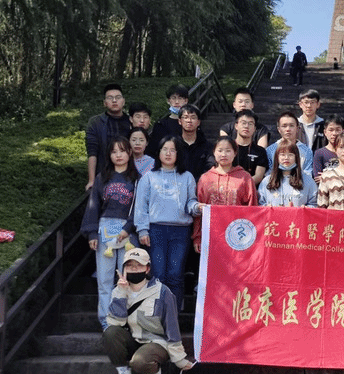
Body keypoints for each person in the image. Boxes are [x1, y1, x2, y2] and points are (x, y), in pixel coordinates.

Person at [103, 248, 193, 374]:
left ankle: (153, 372)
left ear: (147, 268)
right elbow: (115, 323)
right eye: (129, 265)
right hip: (133, 339)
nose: (134, 269)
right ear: (123, 268)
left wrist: (179, 359)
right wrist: (121, 293)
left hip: (156, 343)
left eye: (139, 265)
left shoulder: (162, 291)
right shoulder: (118, 290)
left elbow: (172, 327)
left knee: (140, 362)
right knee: (110, 332)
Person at [134, 136, 201, 310]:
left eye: (172, 150)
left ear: (178, 153)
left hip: (180, 231)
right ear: (159, 152)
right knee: (158, 274)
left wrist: (197, 208)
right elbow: (141, 206)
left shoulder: (187, 177)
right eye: (165, 149)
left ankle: (173, 315)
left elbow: (191, 201)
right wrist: (142, 230)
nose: (168, 153)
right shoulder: (149, 177)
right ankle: (156, 315)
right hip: (156, 231)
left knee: (175, 274)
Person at [81, 137, 140, 331]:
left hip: (128, 233)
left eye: (122, 151)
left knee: (128, 278)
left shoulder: (137, 179)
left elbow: (140, 208)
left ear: (129, 153)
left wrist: (128, 228)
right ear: (109, 155)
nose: (118, 155)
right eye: (114, 152)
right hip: (105, 230)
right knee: (105, 279)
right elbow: (93, 206)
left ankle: (126, 321)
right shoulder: (102, 178)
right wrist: (92, 233)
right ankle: (106, 322)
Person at [193, 137, 257, 253]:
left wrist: (250, 236)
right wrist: (197, 236)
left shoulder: (245, 178)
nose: (223, 154)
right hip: (211, 233)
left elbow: (252, 208)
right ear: (214, 152)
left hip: (238, 234)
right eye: (220, 150)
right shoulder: (205, 178)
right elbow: (199, 210)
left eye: (228, 151)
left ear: (235, 153)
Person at [85, 83, 131, 190]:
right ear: (105, 103)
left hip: (128, 175)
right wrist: (91, 180)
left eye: (118, 97)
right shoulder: (96, 122)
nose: (114, 101)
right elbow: (92, 153)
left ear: (123, 101)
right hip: (104, 174)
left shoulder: (131, 122)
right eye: (110, 98)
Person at [258, 140, 318, 207]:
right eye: (282, 155)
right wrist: (267, 208)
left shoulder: (308, 181)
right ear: (277, 157)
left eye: (290, 155)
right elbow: (260, 205)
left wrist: (305, 209)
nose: (286, 158)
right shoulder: (267, 181)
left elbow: (314, 205)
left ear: (296, 157)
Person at [266, 112, 313, 177]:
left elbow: (308, 174)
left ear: (297, 128)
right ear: (279, 129)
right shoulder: (270, 150)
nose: (288, 129)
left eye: (291, 125)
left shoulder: (306, 151)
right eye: (284, 126)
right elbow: (269, 174)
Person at [146, 84, 188, 157]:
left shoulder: (190, 124)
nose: (177, 102)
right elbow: (153, 149)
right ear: (168, 101)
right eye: (173, 98)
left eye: (180, 98)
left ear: (186, 101)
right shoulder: (160, 125)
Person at [177, 104, 214, 182]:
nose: (189, 121)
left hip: (200, 184)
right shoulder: (173, 144)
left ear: (198, 122)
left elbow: (209, 168)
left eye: (193, 118)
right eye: (185, 117)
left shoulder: (208, 147)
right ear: (179, 121)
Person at [231, 109, 268, 185]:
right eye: (243, 123)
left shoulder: (260, 151)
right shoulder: (228, 148)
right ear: (236, 126)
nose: (246, 126)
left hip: (250, 188)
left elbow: (259, 176)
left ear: (254, 129)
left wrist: (242, 185)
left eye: (250, 124)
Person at [312, 114, 344, 181]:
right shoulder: (319, 153)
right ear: (325, 132)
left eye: (338, 130)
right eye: (331, 130)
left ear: (343, 131)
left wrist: (327, 177)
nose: (334, 133)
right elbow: (318, 178)